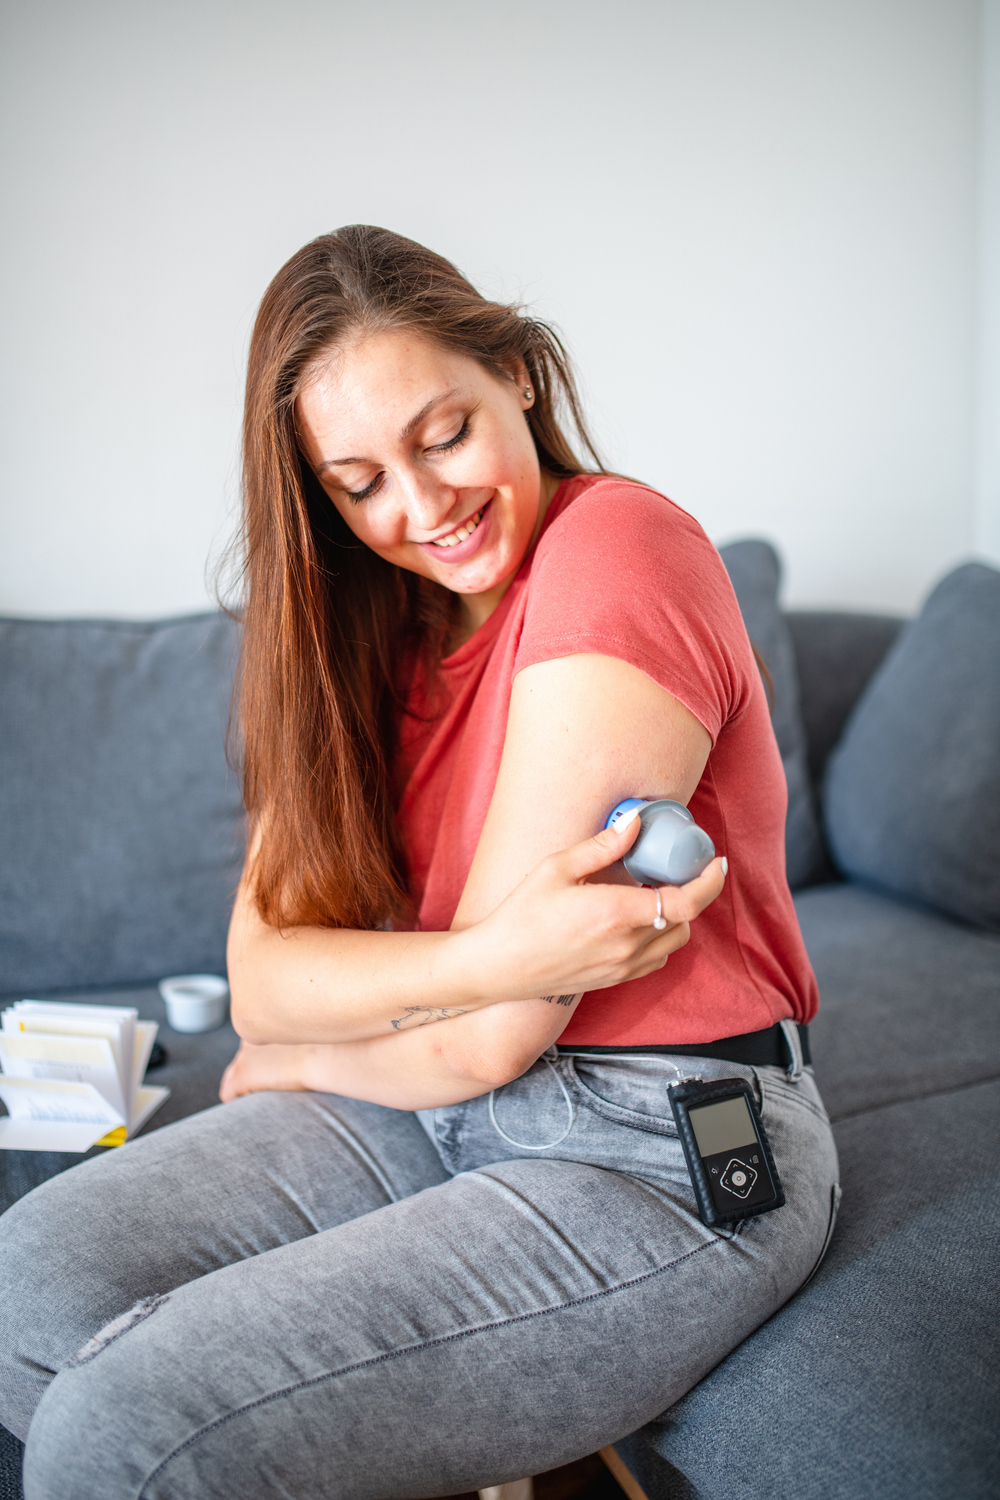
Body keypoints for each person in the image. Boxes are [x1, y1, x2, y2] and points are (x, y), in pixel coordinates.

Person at [0, 226, 839, 1500]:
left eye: (443, 434)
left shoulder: (615, 549)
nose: (420, 506)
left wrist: (306, 1053)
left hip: (663, 1140)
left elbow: (487, 1038)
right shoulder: (360, 632)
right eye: (358, 482)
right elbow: (261, 979)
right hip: (433, 1107)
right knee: (25, 1293)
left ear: (520, 378)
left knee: (130, 1426)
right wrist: (462, 968)